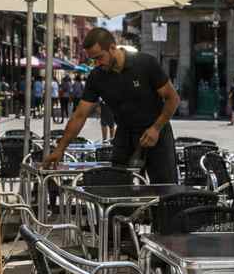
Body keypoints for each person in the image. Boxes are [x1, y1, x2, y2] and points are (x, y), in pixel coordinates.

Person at [45, 28, 180, 184]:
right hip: (124, 135)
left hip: (157, 134)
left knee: (165, 189)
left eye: (99, 57)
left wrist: (156, 128)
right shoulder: (97, 76)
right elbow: (79, 115)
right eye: (92, 60)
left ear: (112, 47)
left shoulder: (145, 63)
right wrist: (61, 148)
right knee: (118, 189)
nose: (97, 63)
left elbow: (173, 98)